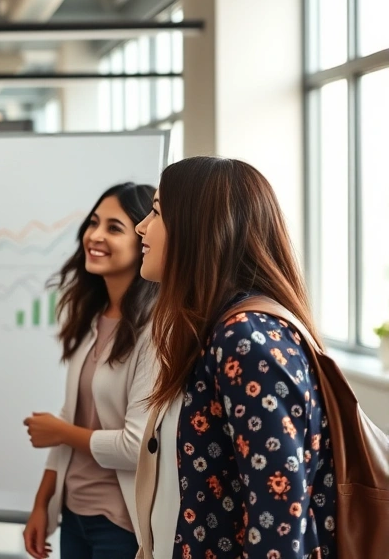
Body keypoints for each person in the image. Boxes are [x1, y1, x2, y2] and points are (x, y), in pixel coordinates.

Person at [133, 156, 337, 559]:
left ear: (198, 229)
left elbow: (279, 518)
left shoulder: (246, 338)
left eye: (156, 212)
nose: (142, 226)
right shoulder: (214, 331)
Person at [22, 183, 160, 559]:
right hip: (74, 513)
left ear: (142, 239)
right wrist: (41, 504)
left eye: (114, 228)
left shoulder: (155, 331)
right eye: (93, 223)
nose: (95, 236)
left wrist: (61, 432)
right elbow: (73, 415)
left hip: (119, 524)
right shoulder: (92, 318)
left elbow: (136, 447)